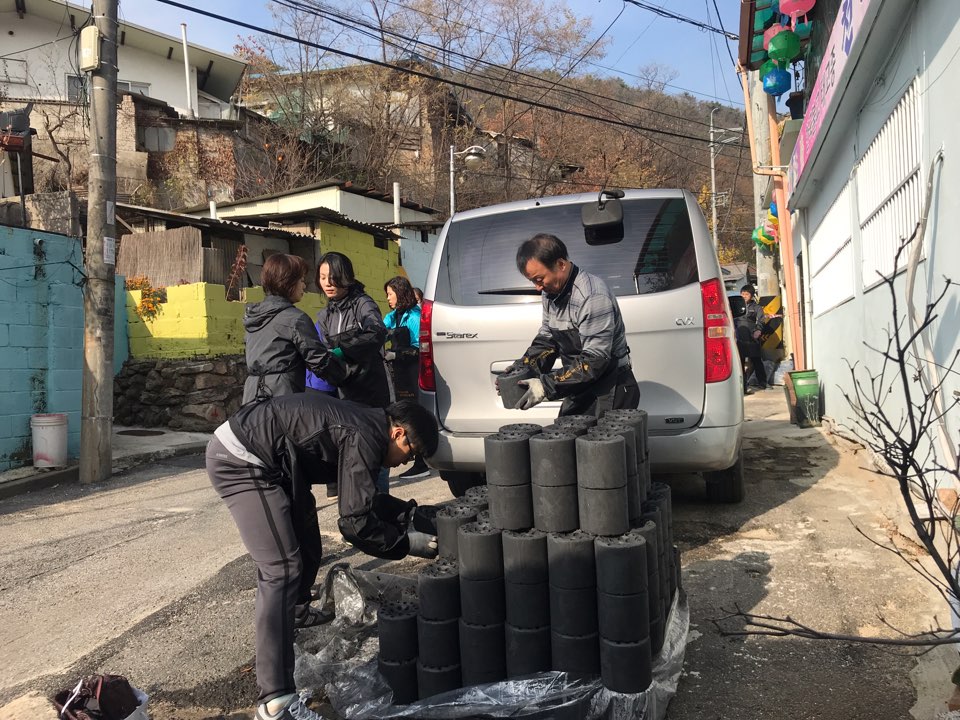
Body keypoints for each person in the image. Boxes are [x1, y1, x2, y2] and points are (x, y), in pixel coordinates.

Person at [206, 395, 439, 720]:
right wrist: (406, 544)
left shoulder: (370, 427)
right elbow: (355, 523)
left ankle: (293, 613)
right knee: (281, 568)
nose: (403, 463)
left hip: (278, 462)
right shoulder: (366, 435)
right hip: (242, 459)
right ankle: (275, 702)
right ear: (398, 434)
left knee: (306, 540)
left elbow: (367, 502)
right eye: (410, 454)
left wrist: (411, 515)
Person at [503, 233, 639, 417]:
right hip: (580, 384)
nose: (537, 287)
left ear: (560, 264)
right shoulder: (550, 293)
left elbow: (595, 360)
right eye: (532, 281)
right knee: (567, 441)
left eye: (539, 279)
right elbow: (548, 339)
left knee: (601, 445)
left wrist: (545, 386)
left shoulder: (592, 296)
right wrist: (523, 368)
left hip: (610, 387)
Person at [315, 252, 391, 494]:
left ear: (345, 277)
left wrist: (343, 350)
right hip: (344, 395)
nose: (327, 282)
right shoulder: (325, 315)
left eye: (333, 277)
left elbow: (376, 333)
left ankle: (381, 507)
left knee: (377, 452)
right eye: (322, 277)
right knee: (354, 456)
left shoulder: (362, 304)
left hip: (372, 392)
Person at [242, 254, 344, 405]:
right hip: (282, 398)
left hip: (251, 396)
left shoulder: (254, 317)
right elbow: (319, 361)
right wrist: (347, 372)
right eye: (301, 280)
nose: (304, 286)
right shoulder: (295, 319)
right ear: (288, 283)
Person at [383, 276, 429, 479]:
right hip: (398, 374)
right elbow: (380, 331)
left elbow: (421, 348)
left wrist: (397, 354)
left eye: (390, 294)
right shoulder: (393, 316)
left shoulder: (415, 317)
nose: (388, 298)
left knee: (415, 414)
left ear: (400, 293)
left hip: (413, 372)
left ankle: (422, 463)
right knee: (401, 413)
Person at [736, 284, 768, 393]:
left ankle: (763, 383)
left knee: (756, 361)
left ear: (752, 295)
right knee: (739, 363)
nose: (744, 296)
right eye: (742, 294)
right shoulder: (735, 306)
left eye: (747, 294)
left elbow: (761, 320)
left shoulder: (757, 307)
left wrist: (758, 331)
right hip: (738, 337)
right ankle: (743, 387)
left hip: (752, 337)